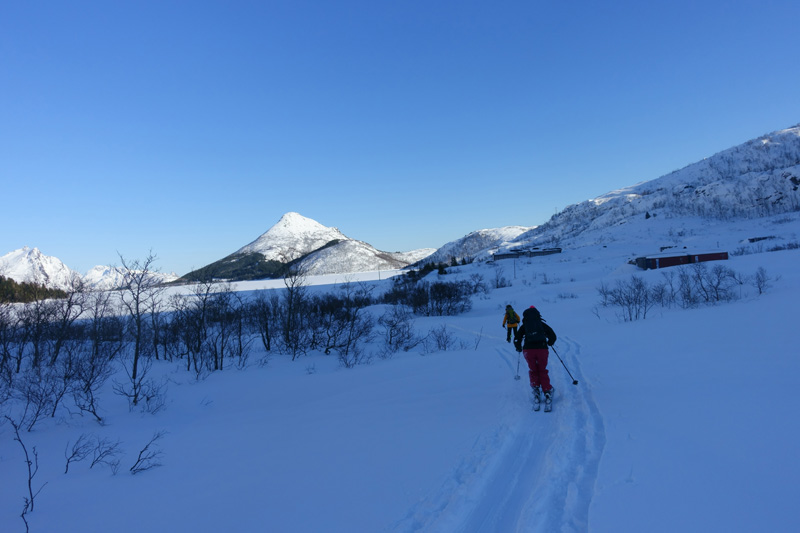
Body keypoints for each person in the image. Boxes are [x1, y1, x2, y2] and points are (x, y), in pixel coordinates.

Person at [514, 305, 557, 409]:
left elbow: (517, 338)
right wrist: (550, 342)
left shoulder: (524, 326)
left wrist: (519, 347)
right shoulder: (541, 324)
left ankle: (536, 390)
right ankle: (547, 391)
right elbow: (553, 335)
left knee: (533, 370)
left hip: (528, 350)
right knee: (542, 370)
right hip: (542, 349)